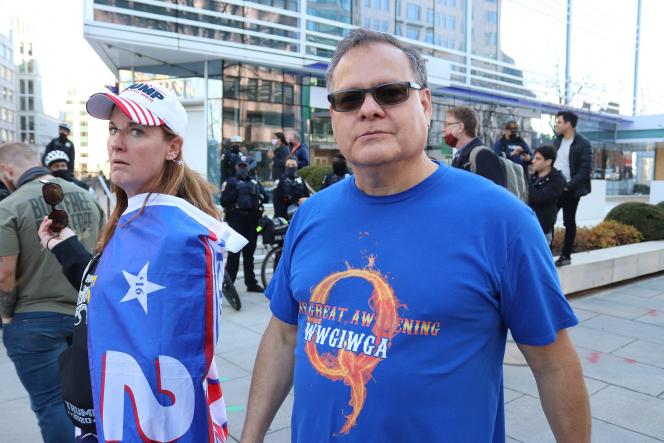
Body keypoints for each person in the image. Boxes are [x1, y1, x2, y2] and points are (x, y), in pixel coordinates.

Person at [241, 29, 590, 443]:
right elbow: (283, 335)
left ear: (424, 103)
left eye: (389, 92)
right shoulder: (310, 215)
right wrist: (250, 437)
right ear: (333, 115)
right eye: (349, 99)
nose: (368, 109)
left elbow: (552, 363)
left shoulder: (502, 221)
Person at [36, 82, 246, 441]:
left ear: (172, 147)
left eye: (136, 130)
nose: (117, 142)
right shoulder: (136, 217)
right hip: (106, 415)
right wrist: (67, 249)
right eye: (114, 129)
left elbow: (172, 359)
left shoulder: (173, 233)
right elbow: (113, 294)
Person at [0, 142, 104, 443]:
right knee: (90, 405)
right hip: (85, 316)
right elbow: (99, 254)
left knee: (52, 406)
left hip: (33, 320)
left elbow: (5, 275)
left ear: (8, 169)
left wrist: (6, 317)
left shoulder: (10, 207)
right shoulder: (86, 195)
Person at [221, 157, 269, 293]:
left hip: (252, 221)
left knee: (249, 254)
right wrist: (237, 191)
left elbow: (266, 197)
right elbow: (224, 201)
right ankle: (229, 285)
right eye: (240, 166)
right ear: (236, 167)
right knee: (234, 253)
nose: (242, 169)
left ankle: (251, 283)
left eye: (245, 166)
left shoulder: (254, 181)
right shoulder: (231, 182)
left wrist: (256, 188)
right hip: (236, 220)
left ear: (248, 168)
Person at [553, 110, 592, 266]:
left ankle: (566, 255)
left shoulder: (583, 143)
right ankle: (544, 252)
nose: (557, 124)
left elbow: (585, 170)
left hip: (571, 189)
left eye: (559, 122)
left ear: (568, 124)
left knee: (569, 222)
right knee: (546, 221)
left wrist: (568, 186)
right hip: (554, 187)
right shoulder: (557, 141)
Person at [447, 106, 506, 187]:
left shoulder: (483, 155)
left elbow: (495, 196)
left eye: (447, 124)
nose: (444, 129)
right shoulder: (459, 156)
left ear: (460, 127)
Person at [528, 145, 566, 245]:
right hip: (528, 227)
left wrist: (526, 182)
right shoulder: (533, 177)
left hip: (543, 231)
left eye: (538, 158)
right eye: (534, 157)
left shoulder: (557, 180)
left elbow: (537, 198)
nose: (533, 161)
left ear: (548, 161)